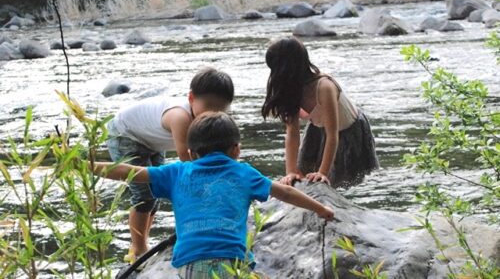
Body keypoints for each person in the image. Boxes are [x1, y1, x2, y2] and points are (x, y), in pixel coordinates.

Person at [94, 111, 334, 278]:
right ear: (236, 149)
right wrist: (321, 209)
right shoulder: (243, 172)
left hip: (188, 264)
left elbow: (132, 172)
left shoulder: (178, 171)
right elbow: (286, 192)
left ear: (191, 152)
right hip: (232, 261)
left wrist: (88, 166)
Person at [107, 67, 234, 262]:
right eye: (208, 105)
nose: (212, 113)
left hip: (151, 139)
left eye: (220, 109)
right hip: (126, 134)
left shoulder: (214, 121)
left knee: (155, 192)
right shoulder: (180, 117)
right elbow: (188, 159)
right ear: (191, 98)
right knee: (143, 195)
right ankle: (138, 251)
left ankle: (142, 241)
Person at [261, 37, 379, 187]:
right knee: (304, 173)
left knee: (345, 181)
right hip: (317, 129)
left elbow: (332, 134)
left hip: (349, 131)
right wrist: (291, 171)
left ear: (286, 69)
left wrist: (322, 173)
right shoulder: (291, 89)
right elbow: (292, 132)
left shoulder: (324, 87)